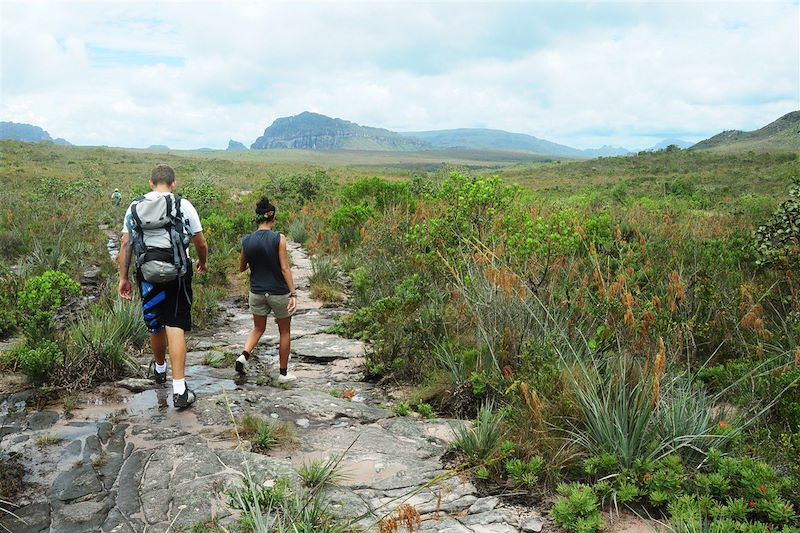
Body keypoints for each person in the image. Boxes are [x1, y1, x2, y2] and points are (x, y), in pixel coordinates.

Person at [117, 164, 208, 408]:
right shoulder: (183, 204)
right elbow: (200, 242)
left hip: (147, 274)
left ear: (150, 182)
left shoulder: (134, 207)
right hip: (178, 273)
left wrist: (123, 277)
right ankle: (180, 390)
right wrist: (202, 262)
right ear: (173, 183)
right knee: (175, 324)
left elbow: (126, 245)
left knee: (154, 322)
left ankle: (159, 369)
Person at [236, 197, 297, 383]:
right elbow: (285, 268)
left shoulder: (247, 240)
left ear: (257, 218)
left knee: (258, 328)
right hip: (278, 292)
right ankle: (283, 374)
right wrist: (293, 293)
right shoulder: (279, 238)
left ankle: (243, 356)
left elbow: (241, 267)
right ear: (273, 218)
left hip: (257, 293)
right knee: (284, 332)